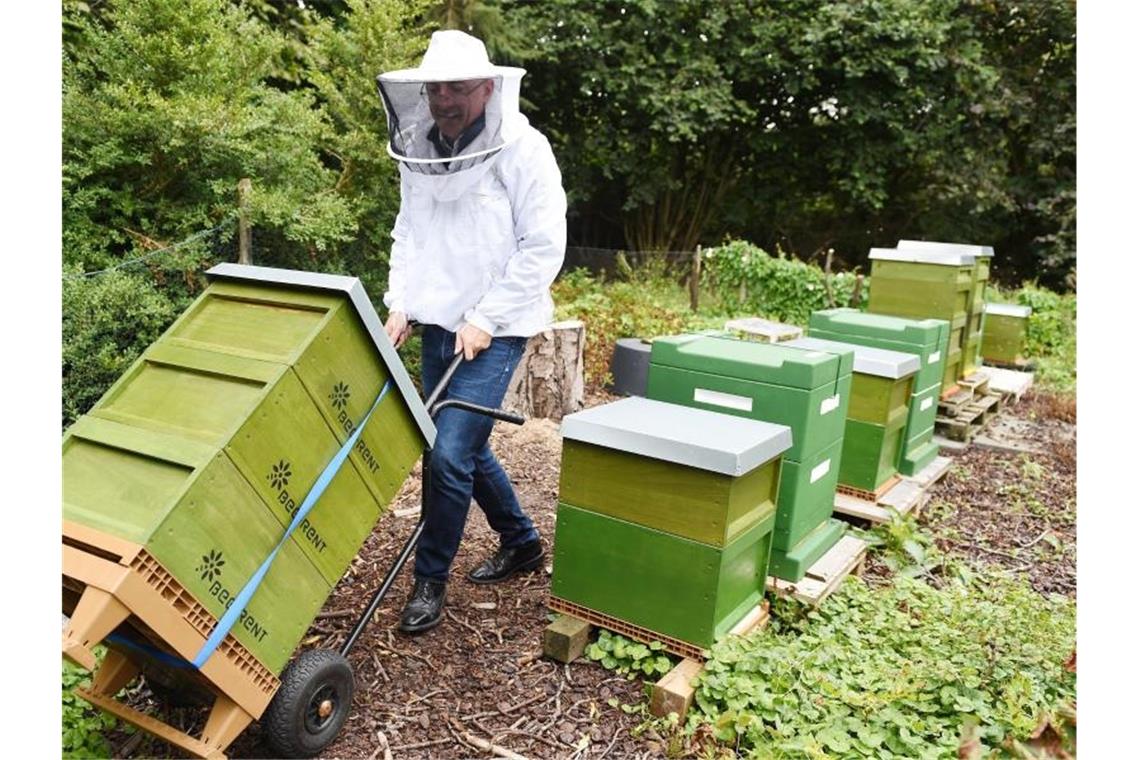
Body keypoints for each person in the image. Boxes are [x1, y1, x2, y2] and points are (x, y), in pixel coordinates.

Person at [375, 31, 567, 633]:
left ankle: (429, 581)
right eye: (436, 88)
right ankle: (522, 540)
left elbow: (543, 246)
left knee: (446, 452)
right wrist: (400, 303)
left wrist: (486, 317)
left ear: (489, 87)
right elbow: (411, 233)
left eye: (459, 87)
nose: (445, 99)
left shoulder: (524, 150)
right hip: (436, 320)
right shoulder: (418, 150)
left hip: (497, 325)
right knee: (467, 444)